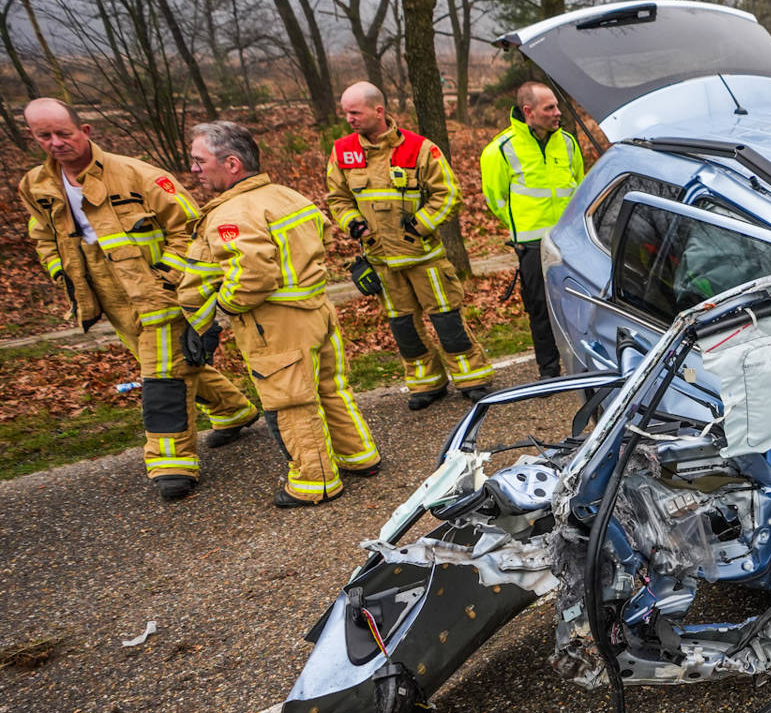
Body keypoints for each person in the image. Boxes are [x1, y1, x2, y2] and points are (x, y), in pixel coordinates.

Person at [17, 98, 259, 500]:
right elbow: (42, 234)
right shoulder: (36, 186)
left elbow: (189, 228)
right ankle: (234, 410)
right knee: (174, 364)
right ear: (34, 137)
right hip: (104, 292)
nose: (56, 142)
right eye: (45, 136)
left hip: (157, 289)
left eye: (64, 133)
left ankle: (171, 464)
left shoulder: (139, 175)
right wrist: (60, 271)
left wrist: (170, 277)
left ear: (85, 131)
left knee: (160, 377)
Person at [181, 121, 379, 507]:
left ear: (233, 164)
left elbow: (253, 275)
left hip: (276, 323)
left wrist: (224, 308)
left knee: (291, 401)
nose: (194, 169)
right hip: (315, 309)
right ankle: (360, 457)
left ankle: (315, 483)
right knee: (330, 389)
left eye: (199, 160)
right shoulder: (286, 195)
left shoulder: (232, 213)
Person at [324, 81, 493, 409]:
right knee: (404, 328)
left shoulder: (419, 148)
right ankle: (426, 384)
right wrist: (352, 223)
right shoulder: (343, 151)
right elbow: (337, 198)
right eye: (345, 113)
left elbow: (449, 193)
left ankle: (473, 378)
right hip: (382, 261)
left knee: (447, 320)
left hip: (424, 257)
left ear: (378, 110)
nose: (349, 119)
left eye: (355, 112)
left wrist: (419, 226)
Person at [480, 82, 582, 378]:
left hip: (568, 241)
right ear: (529, 111)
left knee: (576, 305)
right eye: (549, 108)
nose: (557, 113)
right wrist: (523, 228)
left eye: (556, 106)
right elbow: (495, 199)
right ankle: (549, 372)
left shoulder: (567, 142)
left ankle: (583, 365)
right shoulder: (500, 150)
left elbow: (578, 184)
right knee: (539, 309)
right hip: (532, 243)